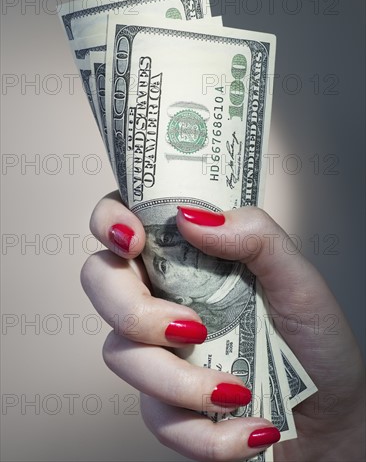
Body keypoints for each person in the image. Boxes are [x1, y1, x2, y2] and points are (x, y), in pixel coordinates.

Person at [81, 192, 365, 461]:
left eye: (167, 236)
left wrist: (344, 430)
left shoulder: (258, 284)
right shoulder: (200, 319)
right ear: (179, 298)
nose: (172, 250)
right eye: (163, 266)